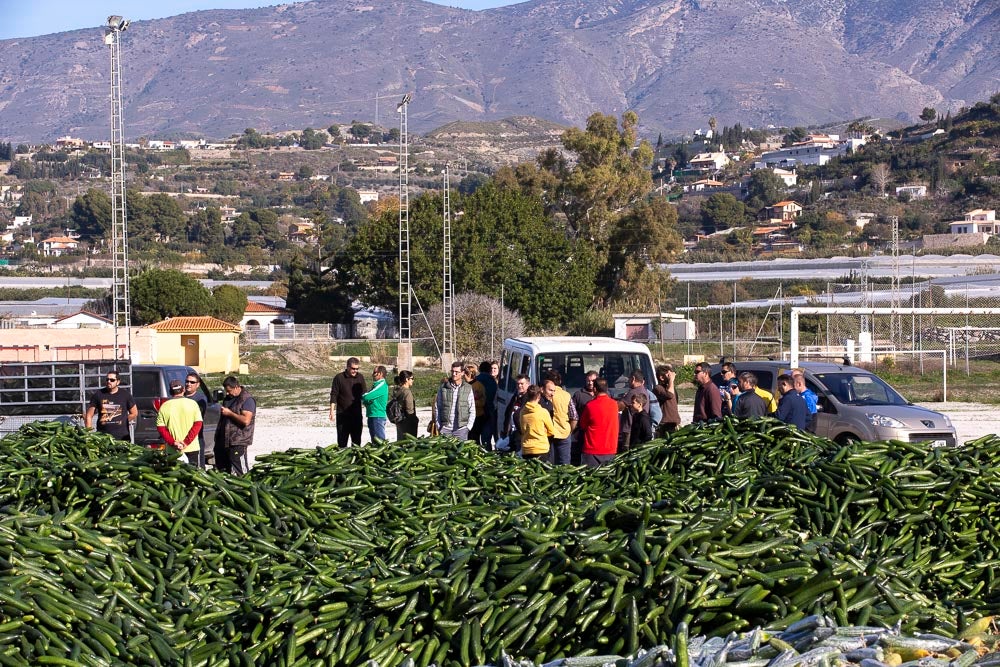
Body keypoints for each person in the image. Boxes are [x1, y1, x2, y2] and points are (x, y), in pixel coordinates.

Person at [156, 379, 203, 465]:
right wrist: (186, 442)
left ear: (170, 391)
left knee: (175, 476)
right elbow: (198, 425)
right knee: (193, 476)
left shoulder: (164, 406)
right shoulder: (193, 404)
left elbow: (161, 428)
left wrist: (173, 443)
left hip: (173, 450)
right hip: (191, 448)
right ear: (184, 390)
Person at [214, 376, 256, 475]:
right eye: (226, 391)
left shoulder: (247, 400)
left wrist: (230, 414)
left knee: (240, 469)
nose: (228, 393)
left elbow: (246, 420)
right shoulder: (228, 398)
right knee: (223, 470)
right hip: (224, 440)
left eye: (229, 390)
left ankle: (246, 487)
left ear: (237, 387)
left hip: (238, 440)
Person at [85, 370, 137, 442]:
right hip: (103, 437)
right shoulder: (98, 394)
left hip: (122, 437)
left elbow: (134, 413)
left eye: (112, 380)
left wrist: (123, 420)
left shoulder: (125, 395)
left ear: (118, 382)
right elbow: (89, 415)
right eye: (107, 379)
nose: (109, 381)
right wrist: (88, 434)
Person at [578, 378, 619, 467]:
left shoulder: (590, 406)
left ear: (595, 389)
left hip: (592, 450)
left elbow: (582, 425)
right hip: (610, 448)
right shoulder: (614, 404)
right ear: (607, 388)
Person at [329, 357, 367, 447]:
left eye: (357, 369)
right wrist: (331, 412)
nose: (355, 371)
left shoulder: (360, 377)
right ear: (348, 367)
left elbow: (365, 394)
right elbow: (334, 395)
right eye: (353, 369)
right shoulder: (339, 378)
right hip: (343, 415)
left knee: (356, 443)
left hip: (356, 415)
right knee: (342, 443)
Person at [543, 371, 577, 465]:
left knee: (549, 464)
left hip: (548, 434)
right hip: (564, 433)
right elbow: (574, 417)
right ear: (560, 381)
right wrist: (570, 430)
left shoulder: (544, 394)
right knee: (564, 464)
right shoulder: (566, 395)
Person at [435, 361, 475, 440]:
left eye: (457, 372)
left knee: (460, 452)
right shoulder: (443, 388)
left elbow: (472, 409)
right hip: (445, 429)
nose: (454, 374)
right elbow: (438, 407)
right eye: (452, 371)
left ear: (462, 373)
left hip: (461, 430)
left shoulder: (468, 388)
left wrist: (468, 427)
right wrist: (439, 425)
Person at [519, 385, 554, 461]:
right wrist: (543, 432)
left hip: (526, 449)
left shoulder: (522, 412)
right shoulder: (543, 412)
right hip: (541, 449)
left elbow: (522, 429)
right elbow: (551, 431)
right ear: (539, 396)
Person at [618, 370, 649, 452]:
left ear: (633, 379)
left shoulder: (634, 392)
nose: (628, 381)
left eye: (629, 379)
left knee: (625, 452)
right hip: (636, 430)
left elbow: (620, 406)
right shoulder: (644, 390)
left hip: (629, 430)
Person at [183, 372, 209, 468]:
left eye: (192, 382)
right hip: (180, 438)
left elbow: (198, 417)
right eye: (187, 381)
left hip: (196, 438)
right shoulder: (180, 396)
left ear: (197, 385)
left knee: (197, 468)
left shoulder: (200, 398)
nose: (188, 384)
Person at [502, 374, 531, 453]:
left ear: (528, 384)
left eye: (522, 384)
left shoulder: (529, 399)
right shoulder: (515, 397)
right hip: (512, 432)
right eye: (518, 384)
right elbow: (508, 413)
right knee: (500, 446)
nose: (519, 386)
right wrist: (505, 430)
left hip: (521, 434)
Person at [362, 365, 389, 442]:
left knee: (379, 442)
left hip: (377, 416)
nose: (372, 374)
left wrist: (363, 397)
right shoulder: (375, 385)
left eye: (374, 372)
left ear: (380, 374)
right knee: (374, 441)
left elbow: (366, 396)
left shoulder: (381, 385)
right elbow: (366, 400)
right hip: (372, 415)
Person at [653, 365, 681, 436]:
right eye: (668, 375)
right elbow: (669, 395)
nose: (671, 376)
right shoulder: (658, 388)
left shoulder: (671, 388)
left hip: (674, 423)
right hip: (664, 424)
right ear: (661, 377)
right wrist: (671, 380)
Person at [465, 363, 488, 446]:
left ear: (469, 375)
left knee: (474, 438)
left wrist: (469, 403)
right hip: (467, 416)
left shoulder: (477, 386)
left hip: (477, 416)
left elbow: (482, 401)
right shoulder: (465, 386)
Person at [392, 370, 419, 440]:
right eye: (412, 378)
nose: (413, 380)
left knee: (401, 442)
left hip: (400, 421)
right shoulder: (407, 392)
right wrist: (415, 420)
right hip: (408, 423)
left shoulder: (398, 390)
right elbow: (410, 410)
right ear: (407, 379)